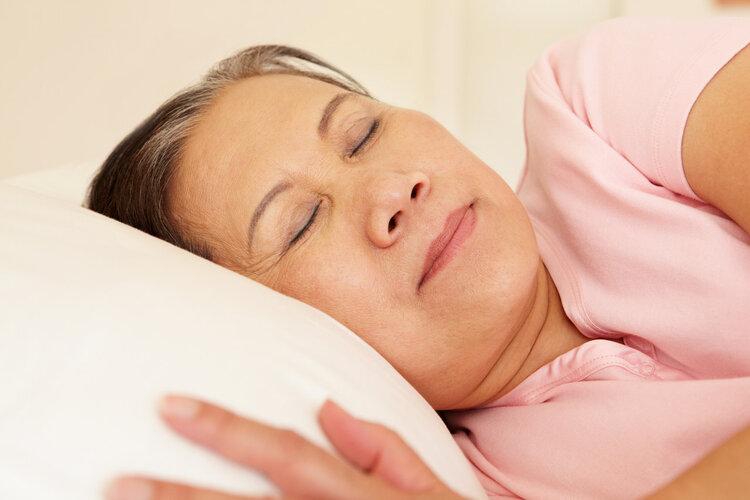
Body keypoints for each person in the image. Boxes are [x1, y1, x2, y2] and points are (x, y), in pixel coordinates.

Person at [89, 15, 750, 500]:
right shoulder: (471, 484)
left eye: (363, 133)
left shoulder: (593, 101)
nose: (392, 191)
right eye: (303, 223)